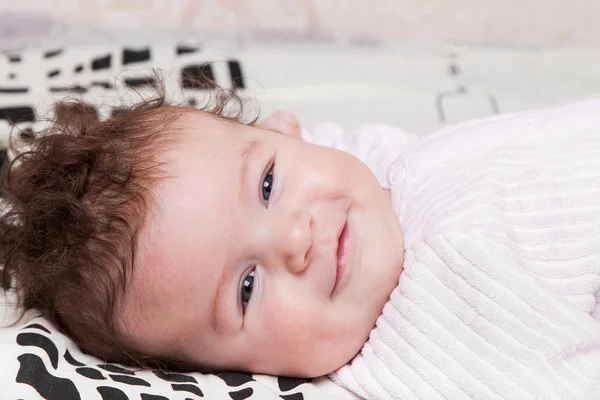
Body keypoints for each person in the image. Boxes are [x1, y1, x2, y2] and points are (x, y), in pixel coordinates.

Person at [2, 88, 600, 399]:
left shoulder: (377, 183)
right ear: (241, 372)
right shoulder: (431, 333)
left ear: (284, 131)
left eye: (266, 185)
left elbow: (336, 148)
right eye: (246, 287)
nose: (296, 238)